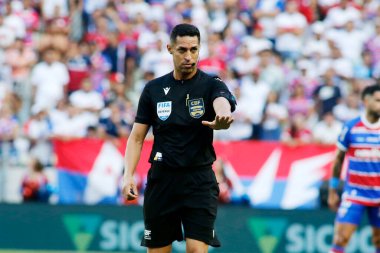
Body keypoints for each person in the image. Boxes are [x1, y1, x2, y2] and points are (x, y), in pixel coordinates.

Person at [122, 23, 236, 253]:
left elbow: (222, 100)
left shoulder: (211, 84)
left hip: (199, 180)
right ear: (169, 49)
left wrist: (222, 114)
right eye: (183, 50)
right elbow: (136, 138)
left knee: (196, 249)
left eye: (194, 50)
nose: (189, 56)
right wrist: (128, 176)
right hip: (162, 180)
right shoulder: (153, 89)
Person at [328, 84, 380, 253]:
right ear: (366, 101)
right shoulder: (351, 127)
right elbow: (338, 160)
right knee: (340, 238)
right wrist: (332, 190)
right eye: (378, 100)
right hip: (354, 194)